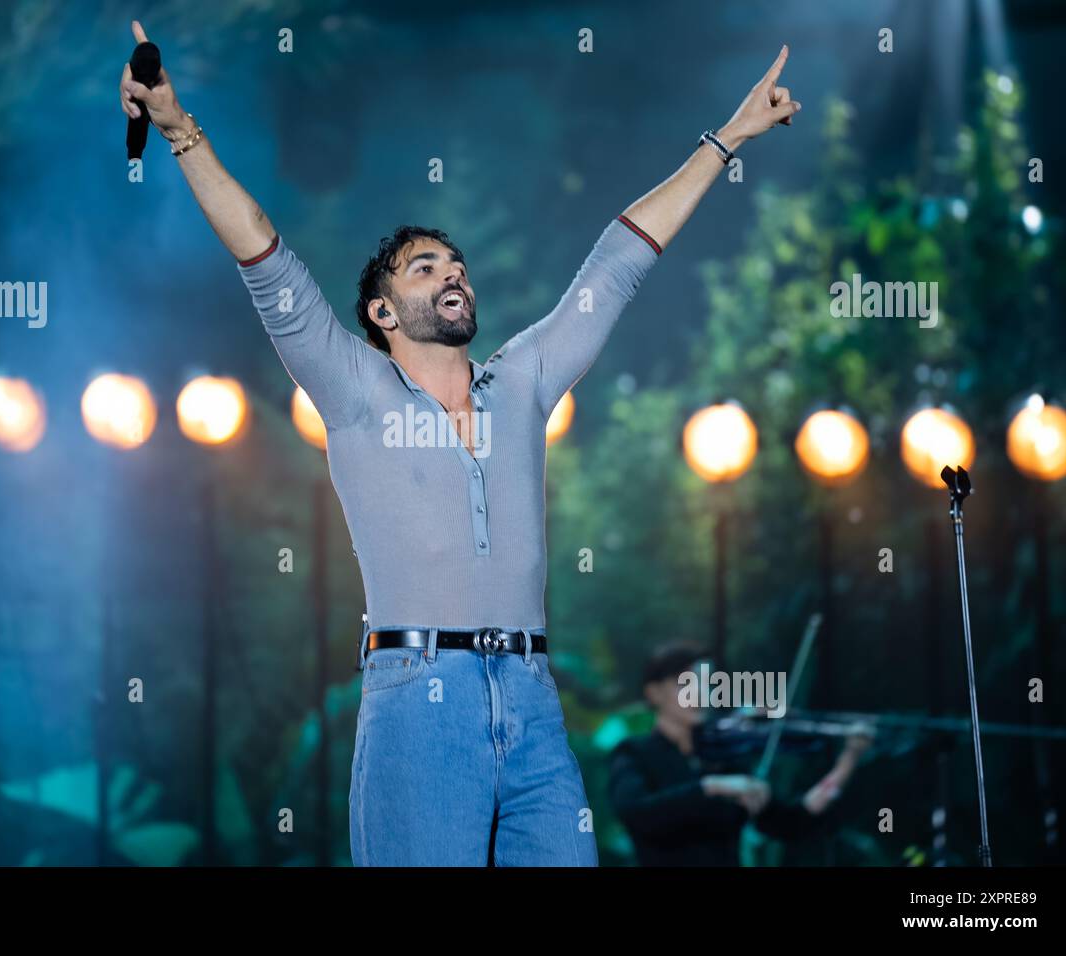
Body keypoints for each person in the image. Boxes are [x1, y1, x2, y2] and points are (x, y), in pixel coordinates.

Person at [119, 20, 802, 866]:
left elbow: (617, 264)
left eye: (456, 263)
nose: (452, 273)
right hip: (417, 698)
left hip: (531, 699)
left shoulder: (521, 382)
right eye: (424, 267)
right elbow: (263, 254)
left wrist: (727, 139)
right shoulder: (353, 388)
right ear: (380, 313)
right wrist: (182, 132)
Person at [609, 641, 871, 866]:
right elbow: (637, 812)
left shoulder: (722, 760)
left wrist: (848, 760)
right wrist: (712, 787)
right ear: (654, 692)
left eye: (706, 683)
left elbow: (793, 822)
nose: (699, 693)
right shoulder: (634, 753)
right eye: (685, 683)